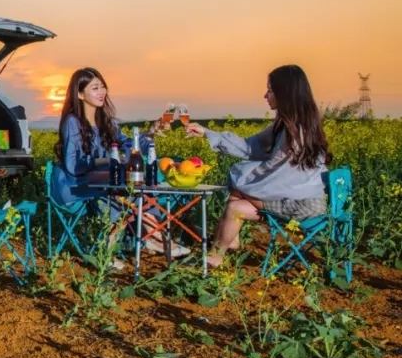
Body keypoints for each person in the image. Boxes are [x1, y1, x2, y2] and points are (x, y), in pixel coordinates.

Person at [186, 64, 331, 268]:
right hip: (297, 199)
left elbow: (278, 176)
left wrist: (240, 176)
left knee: (239, 186)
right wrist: (208, 133)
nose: (265, 96)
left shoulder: (296, 133)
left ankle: (219, 250)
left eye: (270, 90)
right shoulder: (290, 124)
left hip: (302, 205)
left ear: (284, 93)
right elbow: (249, 147)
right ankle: (219, 251)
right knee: (235, 207)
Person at [51, 67, 190, 261]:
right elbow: (72, 166)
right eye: (95, 88)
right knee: (123, 185)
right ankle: (152, 237)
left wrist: (151, 131)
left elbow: (129, 145)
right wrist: (107, 160)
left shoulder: (105, 121)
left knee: (136, 181)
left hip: (104, 180)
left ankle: (143, 239)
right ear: (80, 94)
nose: (101, 92)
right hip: (74, 185)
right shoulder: (72, 122)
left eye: (102, 87)